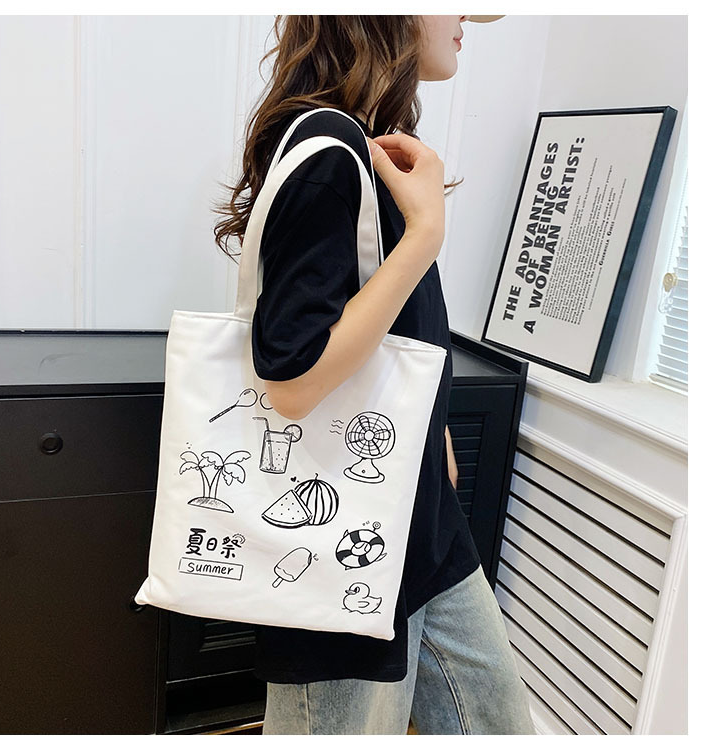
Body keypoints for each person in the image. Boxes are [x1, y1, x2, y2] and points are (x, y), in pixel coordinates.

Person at [212, 14, 535, 735]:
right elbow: (292, 381)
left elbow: (386, 327)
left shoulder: (361, 146)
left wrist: (432, 429)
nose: (464, 17)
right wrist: (424, 235)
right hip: (341, 540)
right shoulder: (329, 153)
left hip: (416, 518)